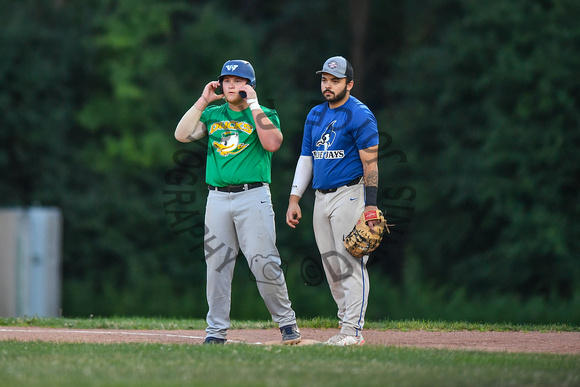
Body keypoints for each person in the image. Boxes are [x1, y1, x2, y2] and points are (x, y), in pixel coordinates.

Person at [175, 59, 301, 345]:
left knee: (263, 262)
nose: (231, 84)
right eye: (226, 80)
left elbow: (272, 143)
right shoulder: (213, 113)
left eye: (238, 80)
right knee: (217, 265)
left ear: (250, 85)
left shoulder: (265, 113)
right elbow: (181, 134)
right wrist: (203, 100)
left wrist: (254, 106)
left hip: (252, 195)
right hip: (217, 197)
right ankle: (216, 332)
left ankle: (286, 322)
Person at [285, 56, 379, 346]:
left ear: (349, 84)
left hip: (350, 193)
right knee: (332, 266)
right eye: (325, 79)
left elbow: (371, 163)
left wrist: (371, 206)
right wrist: (294, 198)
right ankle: (345, 325)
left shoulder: (360, 114)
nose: (328, 85)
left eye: (335, 80)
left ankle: (353, 331)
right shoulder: (315, 114)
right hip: (321, 197)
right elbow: (306, 158)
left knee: (351, 262)